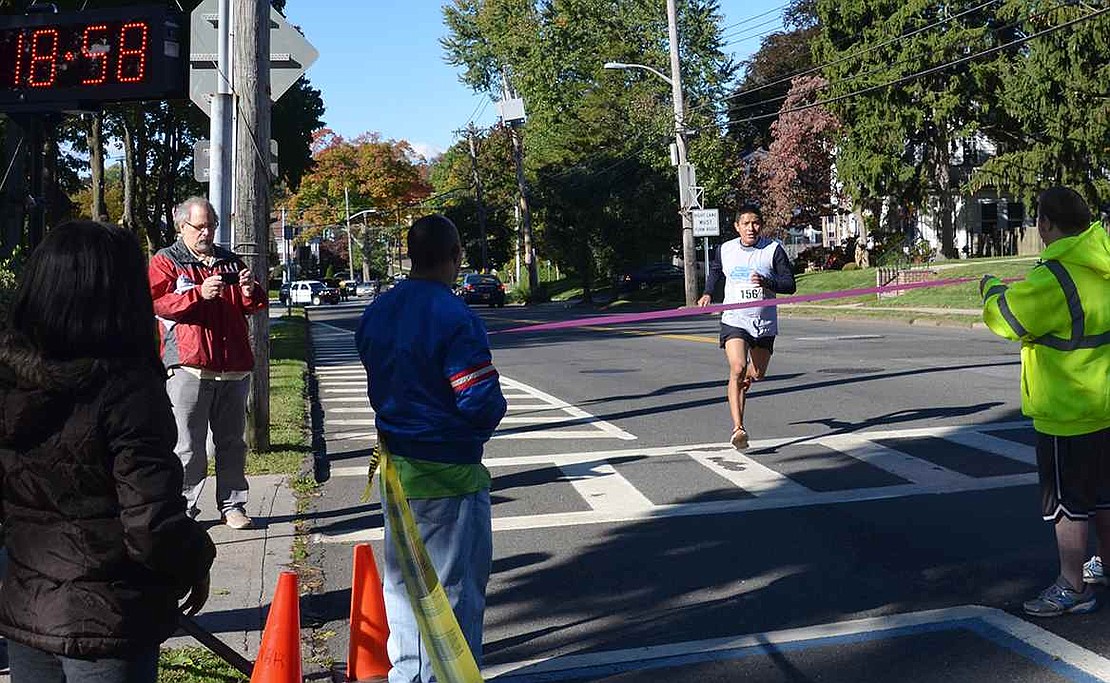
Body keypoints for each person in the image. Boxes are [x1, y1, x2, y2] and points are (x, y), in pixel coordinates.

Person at [0, 221, 215, 681]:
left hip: (27, 604)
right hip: (108, 619)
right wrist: (196, 559)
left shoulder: (12, 378)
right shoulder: (128, 388)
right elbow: (151, 524)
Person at [355, 214, 506, 683]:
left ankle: (407, 675)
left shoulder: (378, 311)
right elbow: (478, 399)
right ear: (456, 255)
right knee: (452, 595)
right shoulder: (454, 316)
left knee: (403, 590)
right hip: (449, 472)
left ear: (411, 254)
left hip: (397, 469)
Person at [980, 186, 1110, 617]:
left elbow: (1008, 319)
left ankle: (1072, 586)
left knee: (1068, 505)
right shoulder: (1103, 263)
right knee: (1105, 496)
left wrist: (991, 289)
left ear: (1047, 224)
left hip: (1067, 410)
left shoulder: (1054, 278)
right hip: (1105, 403)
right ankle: (1105, 567)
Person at [149, 197, 267, 529]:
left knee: (231, 441)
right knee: (187, 444)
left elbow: (254, 304)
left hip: (233, 365)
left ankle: (233, 506)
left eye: (211, 226)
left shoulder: (229, 261)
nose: (206, 233)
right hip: (188, 365)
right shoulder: (166, 261)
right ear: (181, 225)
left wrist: (248, 289)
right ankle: (183, 508)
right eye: (199, 226)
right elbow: (156, 302)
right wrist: (197, 294)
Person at [697, 204, 796, 450]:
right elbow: (717, 272)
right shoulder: (726, 249)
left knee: (757, 373)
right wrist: (708, 293)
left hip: (763, 323)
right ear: (737, 226)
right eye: (746, 223)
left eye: (756, 223)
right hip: (735, 320)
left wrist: (767, 281)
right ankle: (738, 428)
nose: (751, 228)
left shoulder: (773, 250)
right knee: (737, 367)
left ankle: (748, 378)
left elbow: (789, 284)